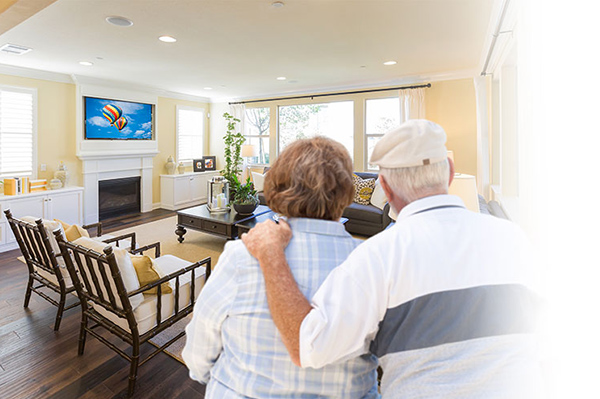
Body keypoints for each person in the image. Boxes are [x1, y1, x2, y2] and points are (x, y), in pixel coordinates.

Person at [242, 120, 544, 398]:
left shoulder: (376, 257)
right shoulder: (516, 238)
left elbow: (308, 347)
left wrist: (271, 254)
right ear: (450, 171)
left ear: (384, 186)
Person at [182, 137, 380, 398]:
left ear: (277, 185)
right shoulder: (375, 265)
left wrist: (213, 379)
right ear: (347, 191)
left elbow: (201, 342)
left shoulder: (242, 255)